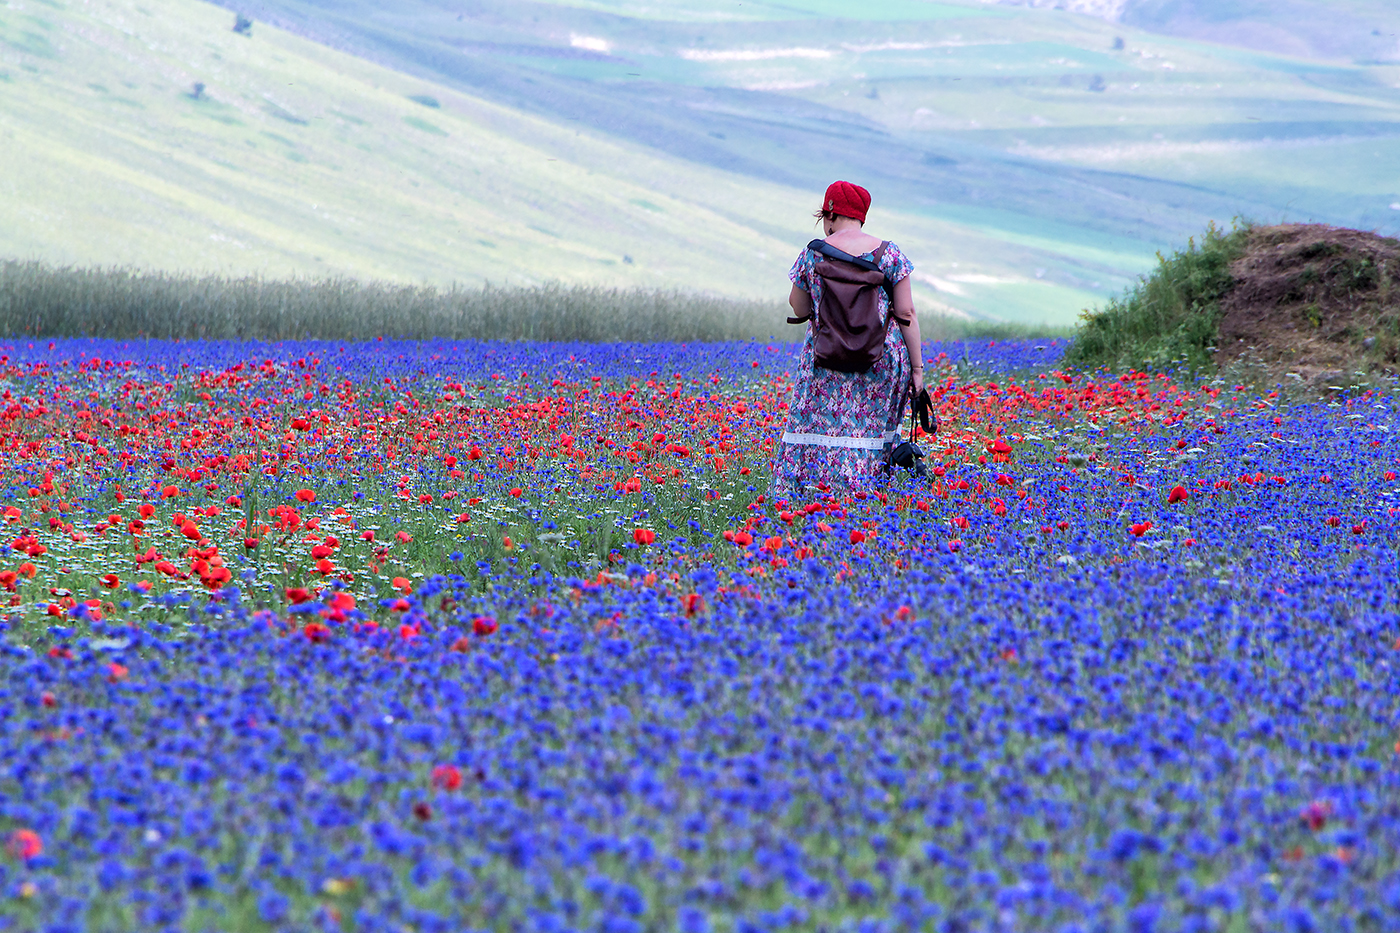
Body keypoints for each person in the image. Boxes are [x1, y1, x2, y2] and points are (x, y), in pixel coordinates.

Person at [772, 180, 924, 499]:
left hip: (825, 357)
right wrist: (917, 370)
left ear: (829, 213)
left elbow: (798, 306)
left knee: (819, 428)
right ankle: (867, 496)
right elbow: (906, 311)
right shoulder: (889, 255)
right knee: (871, 431)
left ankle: (810, 496)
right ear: (861, 216)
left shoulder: (813, 254)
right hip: (881, 357)